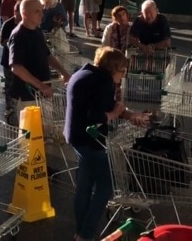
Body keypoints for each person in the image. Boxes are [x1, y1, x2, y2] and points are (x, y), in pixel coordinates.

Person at [64, 46, 150, 241]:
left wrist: (127, 114)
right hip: (90, 138)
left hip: (75, 135)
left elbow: (100, 105)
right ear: (113, 68)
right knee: (106, 185)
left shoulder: (84, 71)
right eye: (122, 71)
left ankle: (80, 232)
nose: (123, 75)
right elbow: (97, 114)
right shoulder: (103, 80)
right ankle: (86, 234)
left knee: (84, 184)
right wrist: (116, 114)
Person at [8, 0, 71, 112]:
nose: (41, 15)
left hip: (43, 92)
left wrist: (64, 72)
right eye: (37, 11)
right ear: (25, 13)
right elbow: (16, 67)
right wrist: (41, 86)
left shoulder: (37, 31)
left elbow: (48, 55)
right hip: (28, 95)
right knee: (32, 129)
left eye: (42, 11)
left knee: (47, 128)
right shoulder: (19, 35)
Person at [0, 1, 22, 123]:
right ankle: (9, 108)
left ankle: (18, 106)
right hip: (8, 60)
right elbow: (2, 41)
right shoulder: (8, 24)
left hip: (21, 61)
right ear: (15, 12)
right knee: (9, 85)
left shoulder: (25, 23)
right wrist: (11, 44)